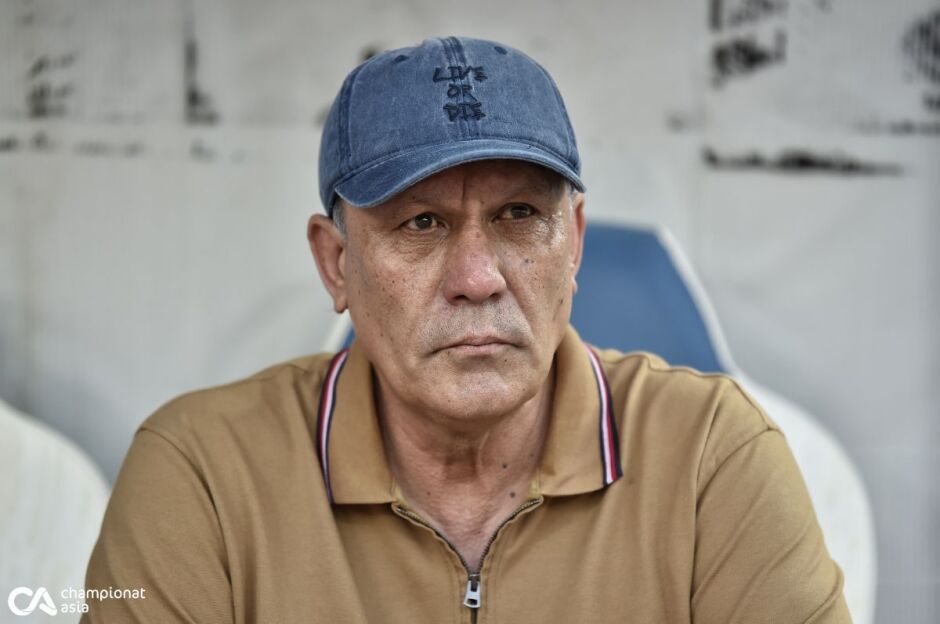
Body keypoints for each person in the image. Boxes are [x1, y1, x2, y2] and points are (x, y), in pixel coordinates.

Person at [81, 37, 851, 623]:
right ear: (336, 263)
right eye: (421, 223)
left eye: (519, 214)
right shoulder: (205, 474)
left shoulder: (711, 457)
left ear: (574, 244)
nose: (478, 278)